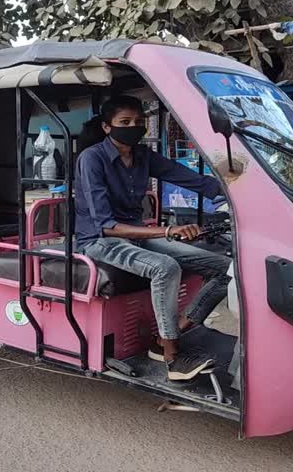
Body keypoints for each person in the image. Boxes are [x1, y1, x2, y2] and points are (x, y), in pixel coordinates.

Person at [75, 95, 231, 381]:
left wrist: (233, 189)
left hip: (134, 235)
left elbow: (189, 178)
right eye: (125, 122)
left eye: (138, 122)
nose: (133, 127)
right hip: (99, 241)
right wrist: (168, 231)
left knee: (224, 268)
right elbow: (106, 225)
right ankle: (173, 357)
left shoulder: (143, 156)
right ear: (107, 127)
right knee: (165, 266)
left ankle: (168, 334)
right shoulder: (92, 159)